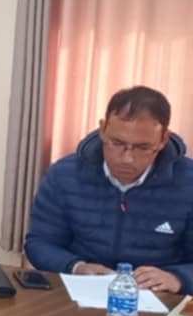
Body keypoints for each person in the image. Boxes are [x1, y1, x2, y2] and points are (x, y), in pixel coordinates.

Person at [25, 86, 193, 292]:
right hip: (80, 292)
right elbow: (40, 243)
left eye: (142, 147)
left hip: (159, 297)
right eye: (117, 143)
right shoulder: (64, 174)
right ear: (103, 129)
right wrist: (76, 267)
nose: (127, 158)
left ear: (163, 139)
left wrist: (177, 278)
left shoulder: (188, 182)